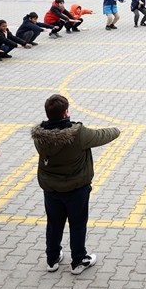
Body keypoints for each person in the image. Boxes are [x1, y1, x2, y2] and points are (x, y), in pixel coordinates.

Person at [31, 94, 121, 275]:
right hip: (76, 188)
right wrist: (117, 130)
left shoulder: (39, 136)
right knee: (78, 224)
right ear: (66, 112)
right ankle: (78, 260)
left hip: (51, 188)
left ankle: (52, 259)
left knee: (54, 223)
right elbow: (100, 136)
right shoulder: (78, 133)